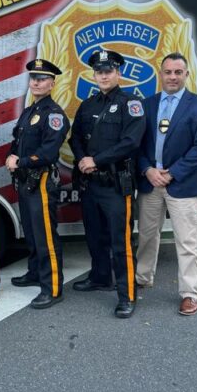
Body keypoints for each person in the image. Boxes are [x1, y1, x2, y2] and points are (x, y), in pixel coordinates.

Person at [135, 53, 197, 316]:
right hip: (150, 182)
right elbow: (136, 144)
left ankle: (191, 293)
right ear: (161, 74)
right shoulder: (147, 105)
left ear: (186, 75)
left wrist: (170, 174)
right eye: (168, 72)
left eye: (177, 72)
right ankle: (143, 278)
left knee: (187, 240)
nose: (172, 77)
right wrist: (147, 169)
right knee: (147, 235)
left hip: (182, 183)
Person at [69, 49, 145, 319]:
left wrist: (96, 160)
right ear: (94, 74)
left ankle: (127, 295)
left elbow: (130, 142)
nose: (103, 75)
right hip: (90, 184)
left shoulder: (131, 103)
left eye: (108, 71)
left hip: (115, 185)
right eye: (99, 71)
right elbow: (75, 137)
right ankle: (100, 278)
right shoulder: (88, 105)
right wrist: (82, 159)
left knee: (120, 243)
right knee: (95, 236)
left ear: (118, 73)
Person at [7, 59, 69, 309]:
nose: (36, 82)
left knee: (45, 237)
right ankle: (34, 272)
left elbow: (48, 152)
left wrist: (20, 161)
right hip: (26, 183)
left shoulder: (53, 115)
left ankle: (52, 288)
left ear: (52, 83)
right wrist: (13, 156)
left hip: (41, 181)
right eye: (33, 78)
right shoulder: (30, 111)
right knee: (32, 234)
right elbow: (18, 140)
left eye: (42, 79)